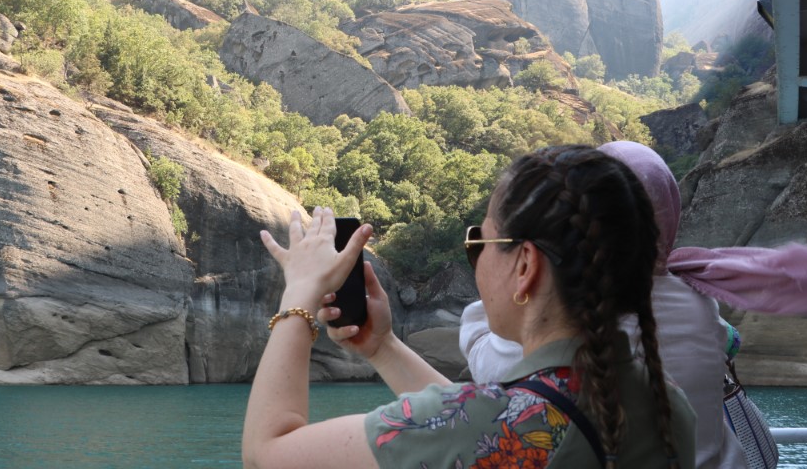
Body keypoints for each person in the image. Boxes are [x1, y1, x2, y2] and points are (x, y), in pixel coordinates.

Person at [243, 145, 695, 469]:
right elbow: (481, 418)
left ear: (525, 266)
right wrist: (383, 348)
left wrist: (298, 295)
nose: (475, 257)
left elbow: (267, 453)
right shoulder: (665, 405)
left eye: (480, 241)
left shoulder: (497, 423)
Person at [462, 140, 807, 469]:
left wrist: (505, 293)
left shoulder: (571, 313)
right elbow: (717, 342)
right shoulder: (697, 296)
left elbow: (488, 361)